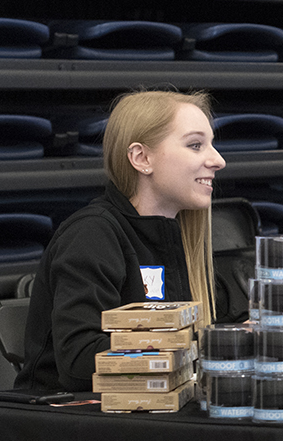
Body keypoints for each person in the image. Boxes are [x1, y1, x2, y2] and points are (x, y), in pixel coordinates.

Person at [18, 90, 223, 391]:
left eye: (211, 145)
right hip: (66, 426)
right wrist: (195, 349)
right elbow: (79, 361)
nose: (218, 160)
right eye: (195, 145)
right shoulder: (91, 234)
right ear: (142, 158)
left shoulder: (178, 235)